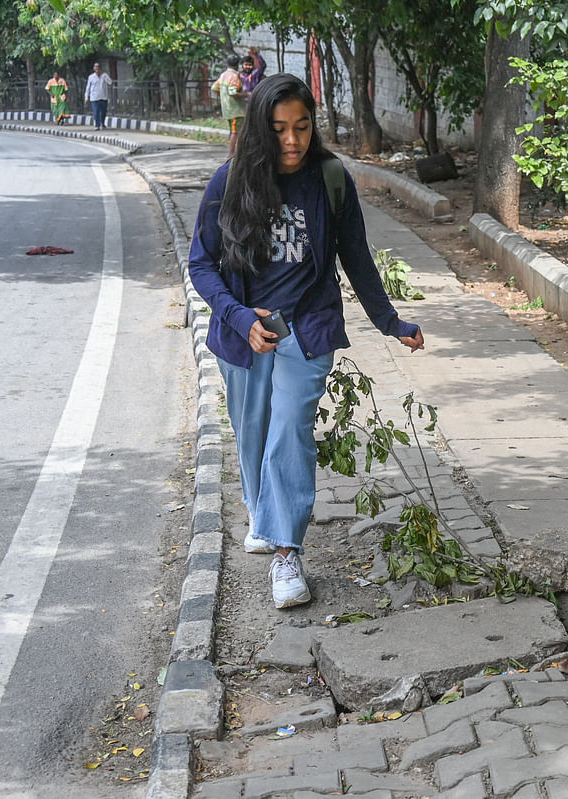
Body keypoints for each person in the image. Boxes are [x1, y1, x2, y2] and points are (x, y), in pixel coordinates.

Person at [188, 73, 425, 608]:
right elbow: (201, 264)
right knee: (251, 433)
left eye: (301, 127)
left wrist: (391, 322)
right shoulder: (229, 182)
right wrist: (237, 315)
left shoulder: (330, 178)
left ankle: (286, 552)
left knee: (289, 430)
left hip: (307, 325)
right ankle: (261, 510)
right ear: (259, 130)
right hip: (245, 329)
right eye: (278, 130)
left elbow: (356, 257)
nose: (292, 140)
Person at [210, 55, 245, 156]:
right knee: (236, 132)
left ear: (227, 64)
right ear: (238, 65)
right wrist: (246, 95)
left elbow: (214, 88)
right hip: (236, 110)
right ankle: (232, 154)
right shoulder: (234, 76)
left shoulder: (224, 75)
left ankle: (233, 152)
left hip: (227, 109)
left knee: (232, 131)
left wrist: (223, 96)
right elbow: (233, 92)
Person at [84, 62, 112, 130]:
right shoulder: (91, 77)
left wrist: (105, 77)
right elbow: (88, 87)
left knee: (103, 112)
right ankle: (97, 125)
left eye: (98, 67)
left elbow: (110, 82)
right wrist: (86, 97)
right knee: (96, 112)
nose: (97, 68)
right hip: (94, 97)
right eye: (95, 67)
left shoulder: (104, 75)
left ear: (100, 68)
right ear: (94, 68)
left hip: (103, 97)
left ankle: (102, 123)